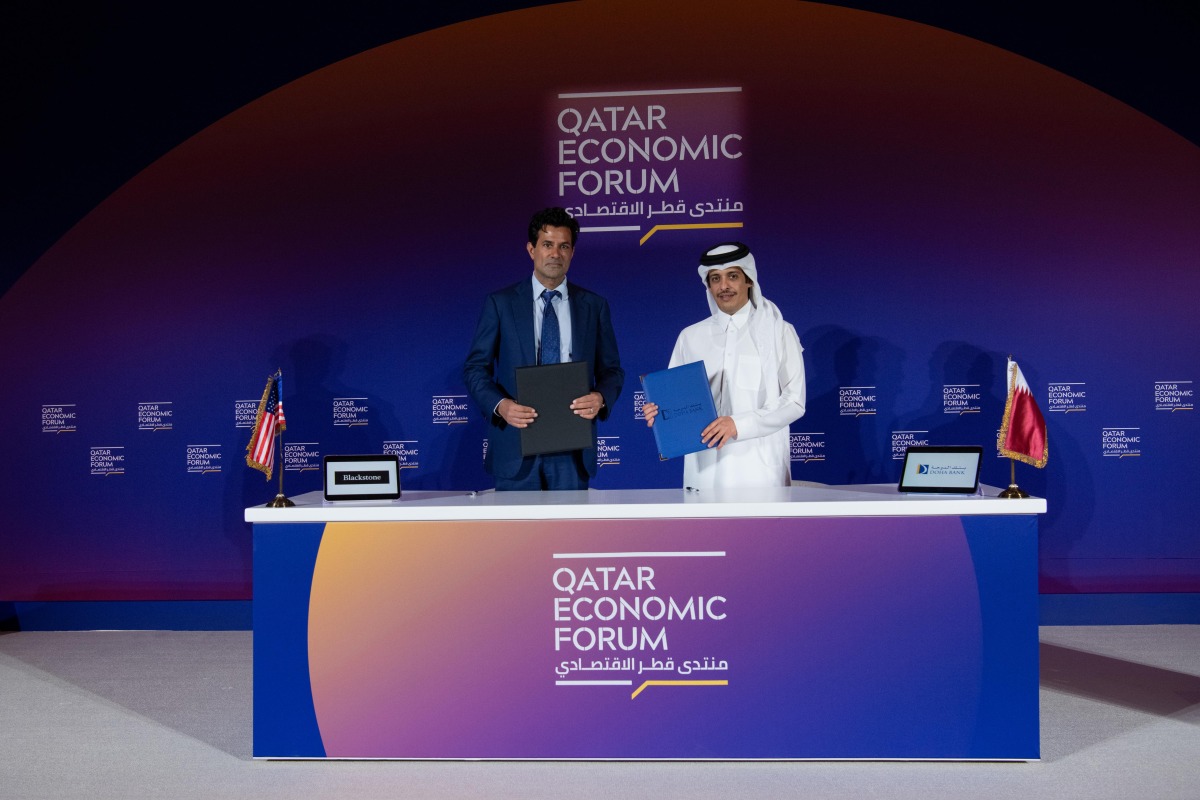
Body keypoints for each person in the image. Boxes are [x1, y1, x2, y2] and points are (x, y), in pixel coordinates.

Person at [464, 207, 624, 490]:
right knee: (516, 536)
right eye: (547, 245)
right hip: (516, 445)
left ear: (572, 253)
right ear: (531, 249)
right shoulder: (500, 303)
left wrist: (600, 397)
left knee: (572, 536)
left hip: (572, 452)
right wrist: (501, 406)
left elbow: (612, 370)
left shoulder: (594, 306)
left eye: (564, 246)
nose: (555, 254)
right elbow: (476, 368)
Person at [643, 242, 805, 489]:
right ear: (708, 286)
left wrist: (738, 425)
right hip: (703, 470)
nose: (724, 286)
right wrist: (659, 412)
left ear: (748, 280)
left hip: (759, 469)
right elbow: (674, 401)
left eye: (732, 276)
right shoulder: (690, 336)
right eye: (715, 278)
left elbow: (794, 402)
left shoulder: (779, 332)